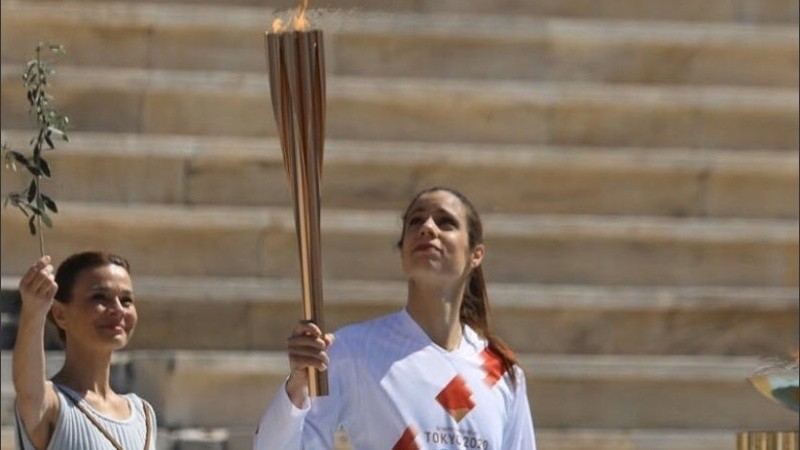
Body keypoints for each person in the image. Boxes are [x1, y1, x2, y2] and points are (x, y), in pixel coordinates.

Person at [254, 186, 536, 449]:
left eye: (445, 222)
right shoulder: (353, 351)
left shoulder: (501, 372)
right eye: (415, 221)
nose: (427, 227)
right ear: (402, 250)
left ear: (476, 254)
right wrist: (297, 387)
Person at [13, 251, 157, 450]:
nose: (118, 309)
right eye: (100, 297)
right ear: (59, 314)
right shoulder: (51, 404)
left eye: (126, 300)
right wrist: (33, 311)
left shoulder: (144, 414)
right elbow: (28, 392)